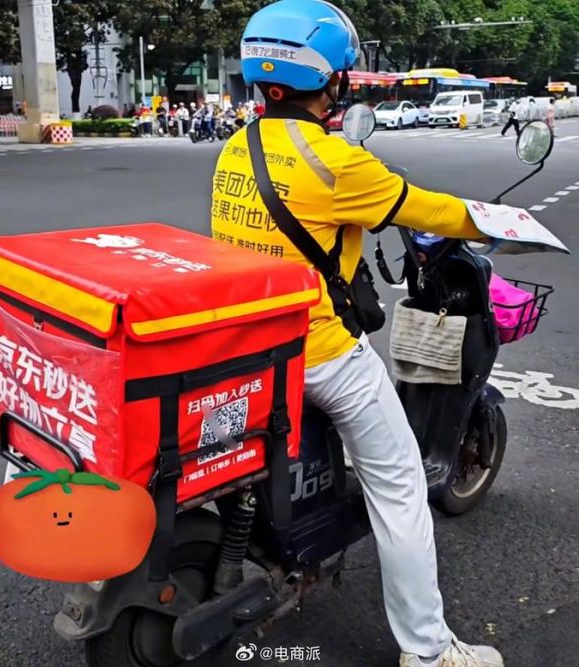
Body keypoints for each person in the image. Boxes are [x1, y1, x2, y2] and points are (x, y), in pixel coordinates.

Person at [210, 3, 504, 667]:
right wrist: (497, 221)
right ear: (332, 78)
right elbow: (426, 209)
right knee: (400, 486)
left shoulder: (235, 148)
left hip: (251, 344)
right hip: (321, 354)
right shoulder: (334, 160)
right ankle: (428, 651)